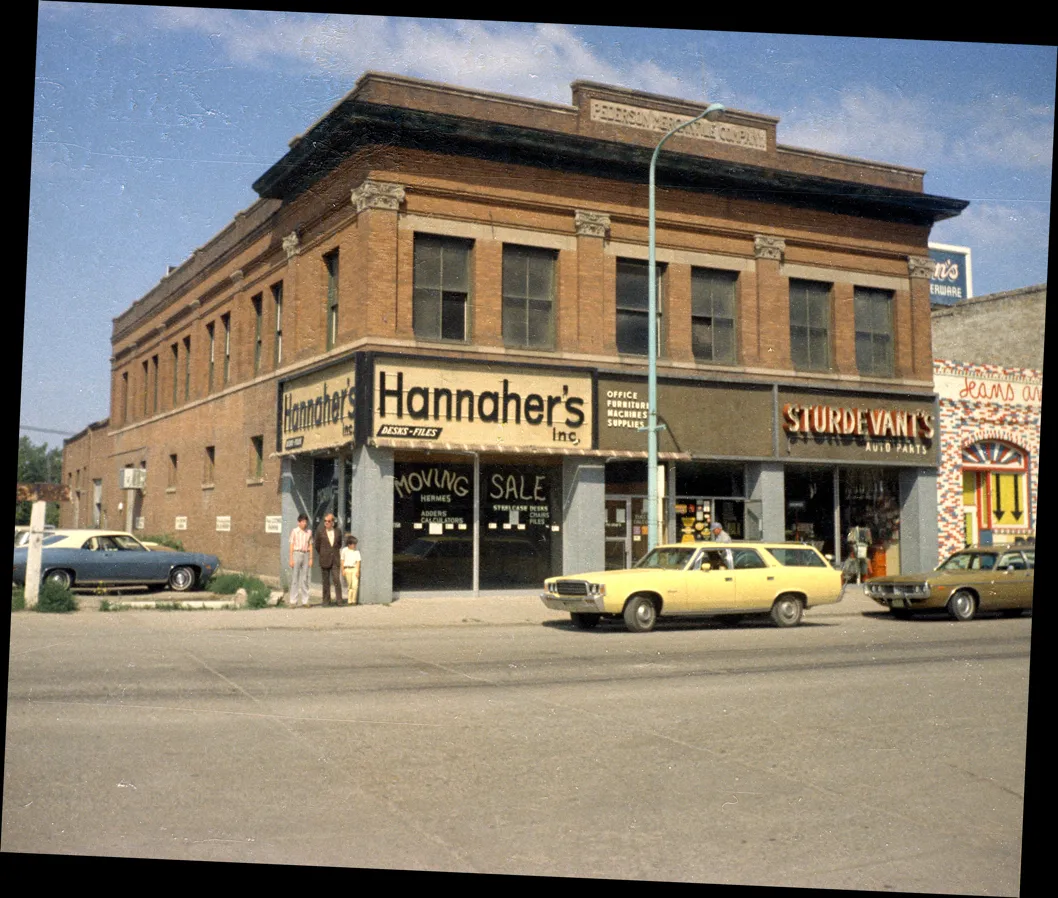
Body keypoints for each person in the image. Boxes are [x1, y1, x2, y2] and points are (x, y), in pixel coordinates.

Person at [314, 513, 344, 606]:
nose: (326, 523)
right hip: (324, 559)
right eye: (325, 521)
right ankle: (326, 601)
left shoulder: (338, 531)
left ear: (333, 522)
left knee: (336, 580)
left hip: (335, 559)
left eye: (329, 521)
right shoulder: (320, 531)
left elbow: (339, 544)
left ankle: (339, 601)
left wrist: (333, 552)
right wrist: (323, 553)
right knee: (325, 581)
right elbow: (317, 545)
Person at [288, 513, 312, 607]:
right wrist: (291, 559)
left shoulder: (308, 532)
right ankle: (293, 601)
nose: (304, 523)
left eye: (306, 521)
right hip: (296, 554)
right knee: (295, 578)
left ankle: (305, 601)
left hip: (305, 554)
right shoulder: (294, 531)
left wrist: (310, 558)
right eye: (302, 521)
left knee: (305, 578)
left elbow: (310, 545)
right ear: (299, 522)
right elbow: (291, 545)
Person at [341, 535, 362, 605]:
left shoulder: (357, 552)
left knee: (355, 585)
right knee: (349, 586)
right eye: (354, 544)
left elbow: (358, 562)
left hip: (354, 569)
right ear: (349, 544)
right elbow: (342, 560)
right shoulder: (344, 550)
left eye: (355, 544)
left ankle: (354, 600)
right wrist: (343, 570)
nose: (355, 545)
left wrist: (358, 571)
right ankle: (349, 600)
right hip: (347, 569)